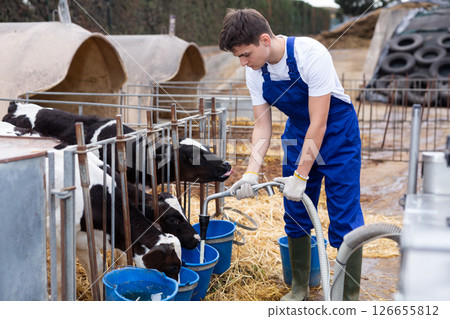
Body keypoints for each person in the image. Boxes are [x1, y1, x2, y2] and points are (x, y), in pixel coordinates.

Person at [220, 8, 364, 301]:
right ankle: (300, 286)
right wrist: (251, 171)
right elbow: (262, 126)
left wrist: (301, 174)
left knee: (344, 214)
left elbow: (320, 121)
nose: (243, 62)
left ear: (264, 40)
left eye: (245, 54)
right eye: (238, 57)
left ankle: (348, 297)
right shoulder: (255, 74)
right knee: (296, 213)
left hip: (337, 134)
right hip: (299, 135)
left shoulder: (312, 53)